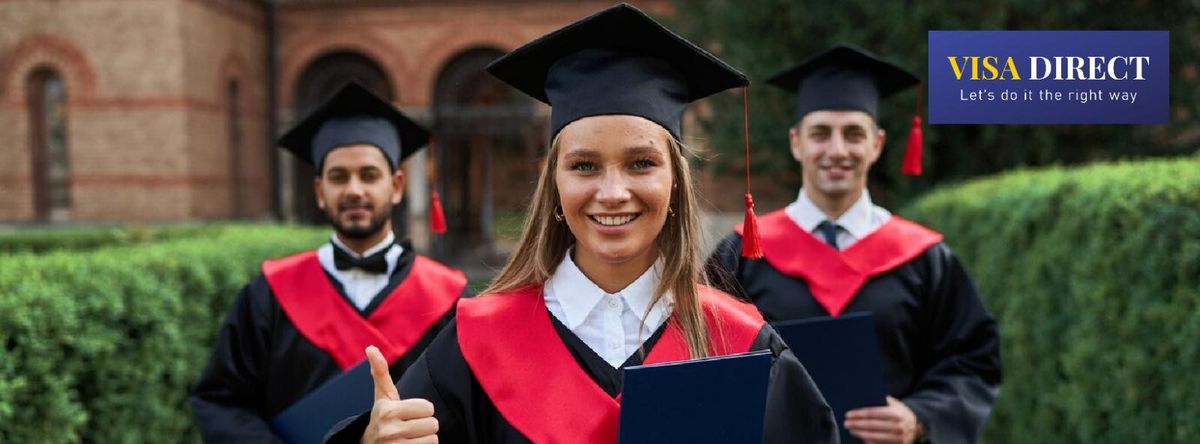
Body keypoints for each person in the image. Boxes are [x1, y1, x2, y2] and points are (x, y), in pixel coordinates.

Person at [325, 4, 837, 443]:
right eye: (584, 165)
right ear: (554, 181)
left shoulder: (740, 343)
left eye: (641, 163)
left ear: (676, 180)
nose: (612, 193)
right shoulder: (476, 342)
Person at [706, 44, 1002, 444]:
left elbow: (971, 361)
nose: (837, 150)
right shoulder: (740, 255)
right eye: (821, 134)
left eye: (854, 134)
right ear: (796, 143)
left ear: (877, 144)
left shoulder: (925, 259)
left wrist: (920, 418)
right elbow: (701, 356)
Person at [189, 82, 472, 442]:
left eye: (369, 175)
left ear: (397, 186)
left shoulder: (450, 298)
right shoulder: (269, 295)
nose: (354, 189)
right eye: (339, 177)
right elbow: (221, 402)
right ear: (320, 192)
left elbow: (473, 410)